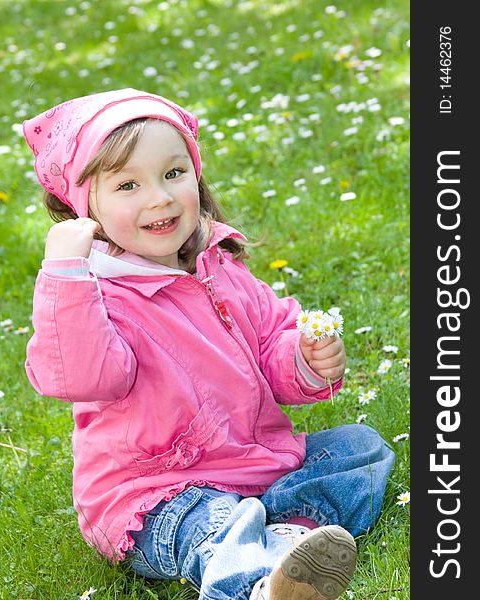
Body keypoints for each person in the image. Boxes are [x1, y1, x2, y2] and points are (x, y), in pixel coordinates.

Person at [23, 88, 395, 600]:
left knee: (360, 448)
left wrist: (304, 359)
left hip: (253, 464)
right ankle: (257, 586)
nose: (159, 197)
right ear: (88, 210)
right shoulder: (96, 294)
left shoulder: (218, 266)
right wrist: (64, 274)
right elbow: (83, 376)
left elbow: (272, 340)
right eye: (128, 184)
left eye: (173, 174)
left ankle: (286, 536)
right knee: (214, 523)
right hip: (156, 494)